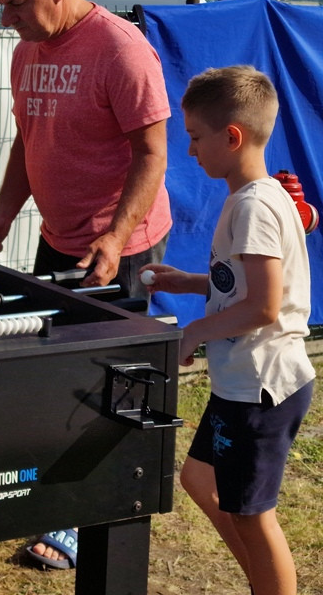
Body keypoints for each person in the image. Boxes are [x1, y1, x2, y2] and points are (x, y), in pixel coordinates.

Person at [0, 0, 172, 569]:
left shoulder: (121, 49)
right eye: (1, 6)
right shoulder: (28, 51)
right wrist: (5, 210)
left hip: (124, 248)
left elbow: (152, 154)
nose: (8, 20)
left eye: (16, 4)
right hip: (57, 239)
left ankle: (96, 517)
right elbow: (28, 139)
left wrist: (114, 235)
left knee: (109, 385)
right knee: (53, 373)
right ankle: (58, 498)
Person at [143, 66, 314, 595]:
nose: (190, 150)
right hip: (239, 384)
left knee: (253, 517)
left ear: (232, 137)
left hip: (261, 389)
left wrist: (195, 333)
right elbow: (242, 286)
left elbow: (264, 306)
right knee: (199, 480)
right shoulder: (251, 197)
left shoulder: (256, 206)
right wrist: (191, 281)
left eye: (195, 137)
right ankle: (263, 580)